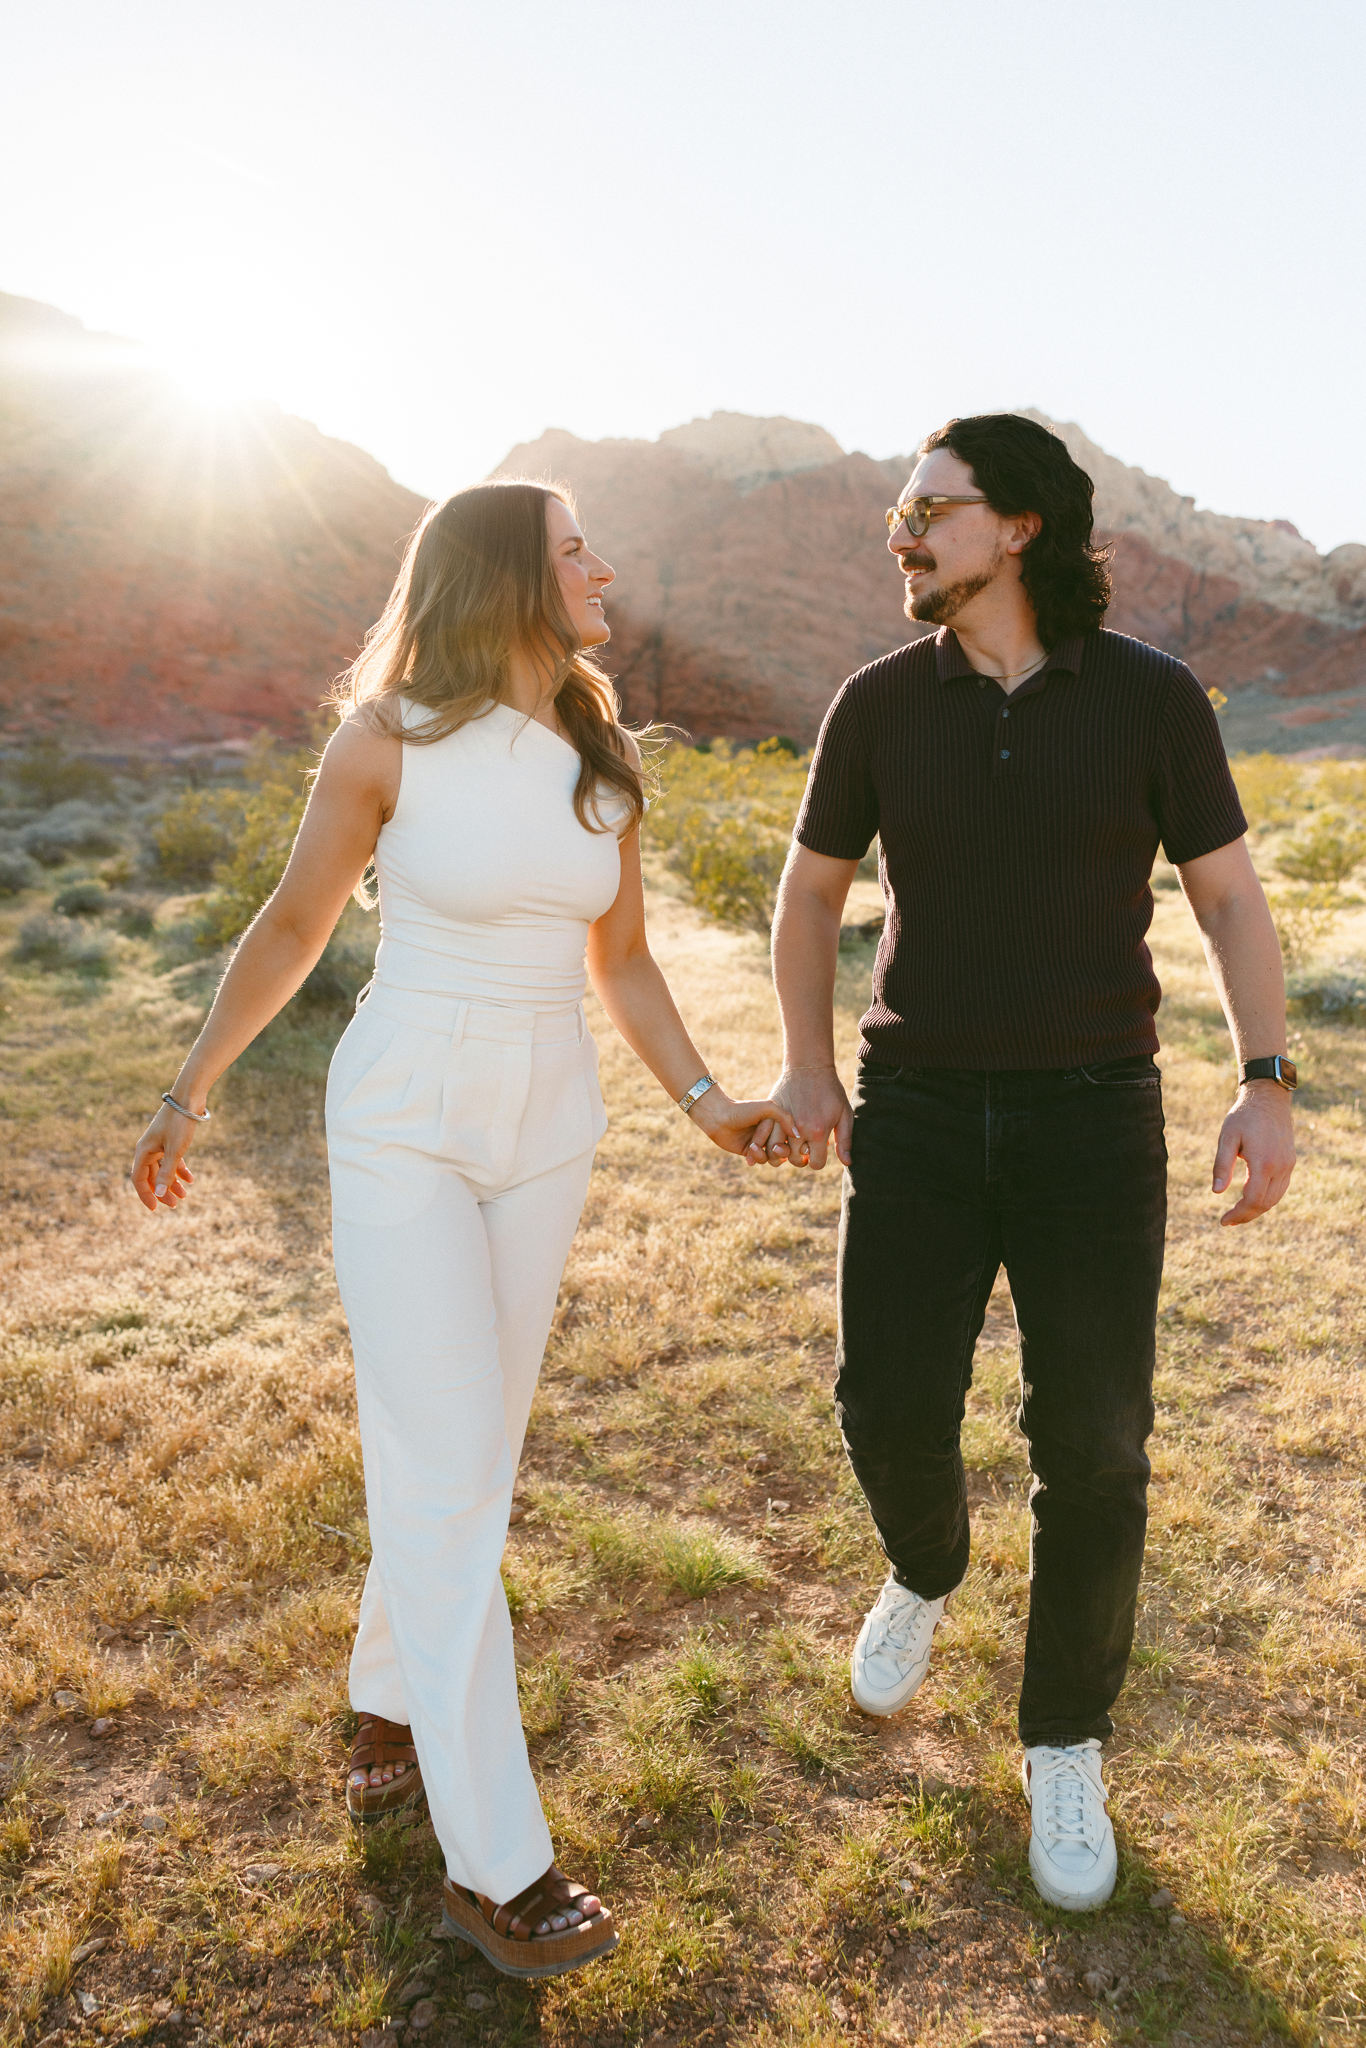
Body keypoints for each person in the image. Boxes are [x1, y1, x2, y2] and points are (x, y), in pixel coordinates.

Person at [130, 479, 796, 1976]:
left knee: (469, 1458)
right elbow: (296, 922)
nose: (603, 567)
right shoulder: (385, 743)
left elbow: (620, 959)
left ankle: (383, 1692)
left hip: (544, 1122)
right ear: (504, 573)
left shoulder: (595, 750)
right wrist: (188, 1094)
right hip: (405, 1115)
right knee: (443, 1473)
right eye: (574, 550)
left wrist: (709, 1104)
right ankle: (495, 1861)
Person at [763, 413, 1295, 1912]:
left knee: (1098, 1450)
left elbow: (1230, 904)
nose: (903, 531)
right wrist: (808, 1064)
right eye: (899, 510)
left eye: (931, 508)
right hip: (916, 1105)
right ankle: (926, 1569)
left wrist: (1263, 1079)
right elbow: (808, 903)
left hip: (1089, 1117)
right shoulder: (874, 702)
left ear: (1022, 530)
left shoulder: (1150, 699)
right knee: (884, 1403)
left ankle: (1062, 1737)